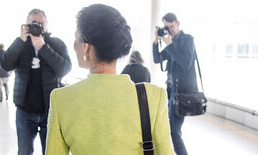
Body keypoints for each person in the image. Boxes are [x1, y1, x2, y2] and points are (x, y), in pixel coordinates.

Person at [45, 4, 174, 155]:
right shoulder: (154, 97)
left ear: (86, 47)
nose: (74, 44)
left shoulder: (61, 99)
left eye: (76, 37)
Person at [0, 9, 71, 155]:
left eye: (40, 23)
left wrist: (43, 47)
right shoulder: (20, 44)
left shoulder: (56, 43)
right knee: (24, 151)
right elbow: (5, 65)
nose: (37, 26)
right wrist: (20, 41)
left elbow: (65, 68)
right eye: (33, 23)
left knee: (51, 151)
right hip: (25, 109)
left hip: (50, 110)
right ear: (25, 25)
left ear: (46, 26)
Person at [152, 13, 198, 155]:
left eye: (171, 26)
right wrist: (156, 41)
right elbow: (157, 59)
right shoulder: (170, 42)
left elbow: (186, 63)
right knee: (171, 130)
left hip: (183, 93)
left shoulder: (187, 40)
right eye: (167, 27)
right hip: (171, 92)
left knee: (174, 132)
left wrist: (170, 45)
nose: (169, 30)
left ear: (178, 23)